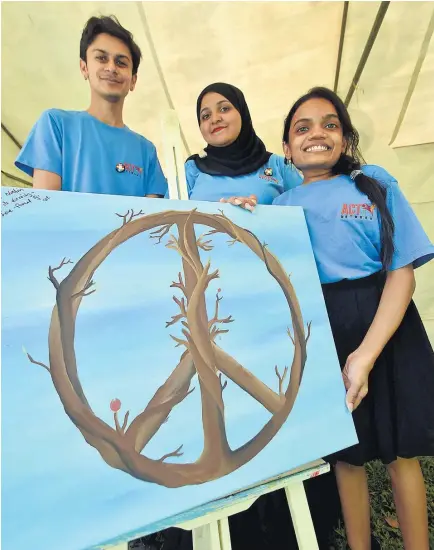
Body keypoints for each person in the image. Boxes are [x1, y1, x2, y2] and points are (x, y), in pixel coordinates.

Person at [268, 87, 434, 549]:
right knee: (347, 453)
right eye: (302, 128)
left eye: (329, 124)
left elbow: (402, 273)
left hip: (387, 322)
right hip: (323, 328)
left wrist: (366, 353)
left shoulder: (373, 183)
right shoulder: (278, 207)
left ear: (345, 137)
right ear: (286, 149)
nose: (316, 134)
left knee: (402, 452)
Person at [15, 15, 167, 198]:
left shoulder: (146, 151)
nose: (111, 68)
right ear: (84, 67)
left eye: (121, 62)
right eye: (102, 58)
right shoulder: (55, 125)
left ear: (133, 80)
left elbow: (154, 221)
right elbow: (45, 207)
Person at [184, 82, 302, 206]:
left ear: (242, 112)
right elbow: (165, 219)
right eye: (206, 116)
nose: (215, 119)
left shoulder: (279, 166)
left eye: (224, 109)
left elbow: (310, 212)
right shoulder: (191, 170)